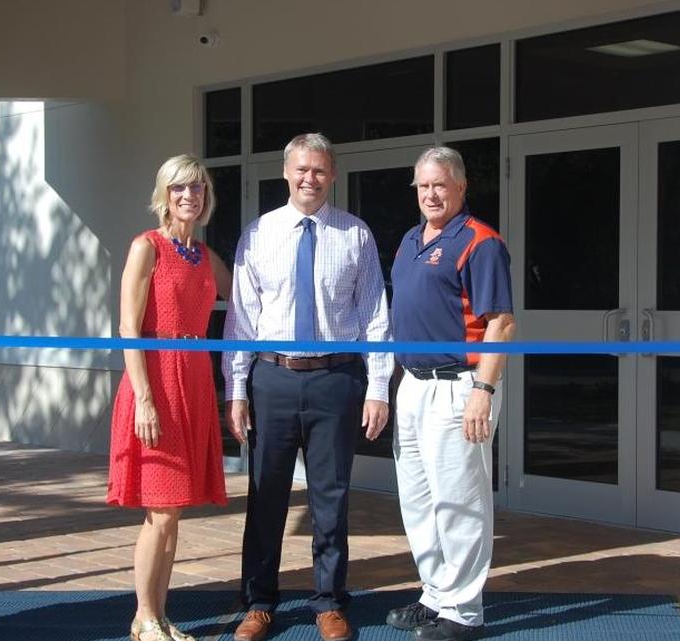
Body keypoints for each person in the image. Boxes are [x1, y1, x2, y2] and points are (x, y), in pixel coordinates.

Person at [222, 133, 393, 641]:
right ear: (285, 172)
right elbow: (240, 321)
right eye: (301, 169)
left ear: (332, 175)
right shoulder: (257, 234)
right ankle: (258, 602)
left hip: (336, 381)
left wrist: (378, 386)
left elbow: (375, 318)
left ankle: (329, 602)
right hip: (271, 379)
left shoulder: (355, 235)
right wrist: (236, 389)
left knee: (330, 497)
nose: (309, 178)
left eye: (319, 170)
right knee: (265, 495)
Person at [385, 147, 515, 641]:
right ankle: (436, 594)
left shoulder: (480, 242)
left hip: (461, 387)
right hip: (414, 387)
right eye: (423, 186)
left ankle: (463, 612)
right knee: (418, 500)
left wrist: (485, 389)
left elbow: (501, 323)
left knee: (459, 500)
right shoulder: (409, 239)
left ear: (461, 187)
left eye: (440, 184)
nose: (431, 194)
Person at [107, 154, 234, 641]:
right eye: (179, 188)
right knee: (159, 510)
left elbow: (251, 292)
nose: (189, 197)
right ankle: (142, 615)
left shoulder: (204, 256)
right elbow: (127, 328)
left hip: (195, 382)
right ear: (164, 195)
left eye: (197, 189)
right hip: (156, 384)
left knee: (174, 511)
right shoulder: (148, 247)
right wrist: (143, 398)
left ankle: (159, 616)